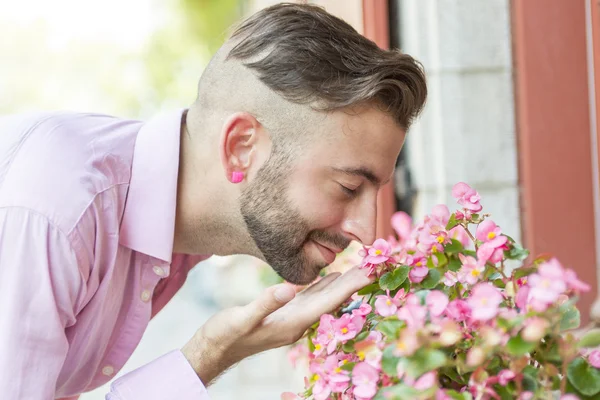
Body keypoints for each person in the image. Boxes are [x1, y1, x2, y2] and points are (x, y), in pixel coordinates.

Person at [0, 3, 427, 399]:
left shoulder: (174, 232)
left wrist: (216, 352)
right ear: (241, 146)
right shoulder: (57, 212)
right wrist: (209, 353)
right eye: (349, 188)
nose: (368, 231)